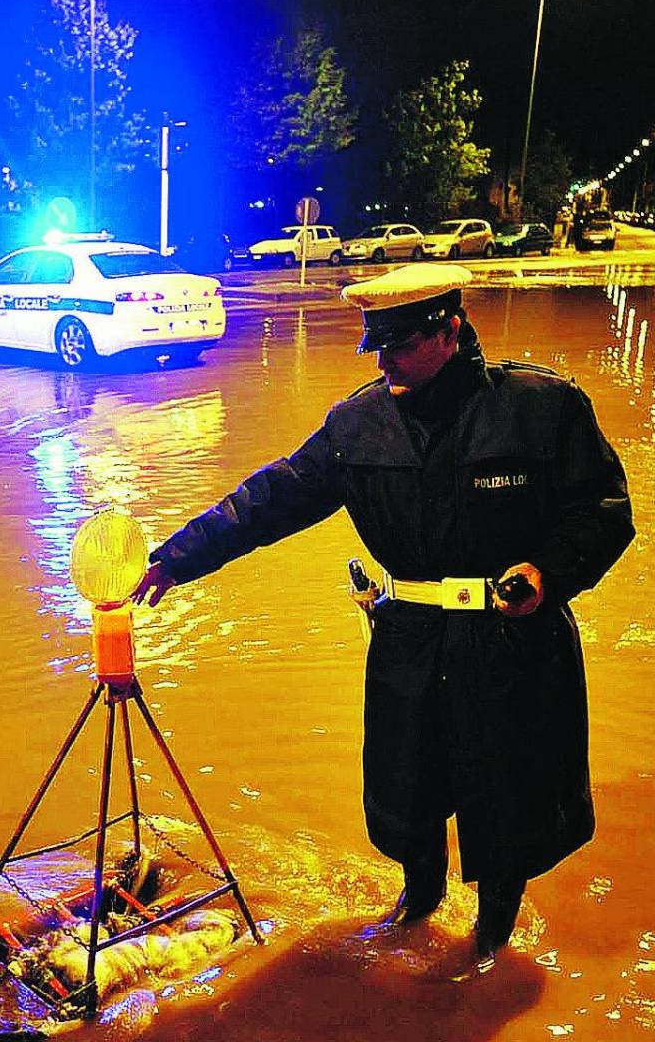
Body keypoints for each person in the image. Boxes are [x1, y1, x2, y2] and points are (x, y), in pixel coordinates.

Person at [133, 263, 634, 960]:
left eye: (400, 344)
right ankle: (418, 903)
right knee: (409, 785)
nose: (387, 360)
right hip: (409, 638)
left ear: (450, 331)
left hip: (511, 637)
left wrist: (546, 574)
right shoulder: (357, 424)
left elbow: (603, 511)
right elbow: (271, 499)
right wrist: (179, 556)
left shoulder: (541, 407)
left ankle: (490, 940)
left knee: (506, 793)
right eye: (378, 347)